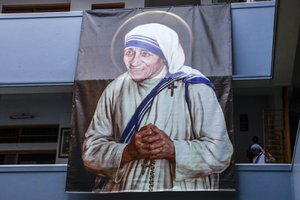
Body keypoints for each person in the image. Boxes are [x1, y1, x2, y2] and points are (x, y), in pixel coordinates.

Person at [82, 23, 233, 192]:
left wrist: (173, 149)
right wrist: (128, 152)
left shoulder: (194, 86)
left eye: (145, 53)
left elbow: (221, 152)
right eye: (129, 52)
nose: (134, 61)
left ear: (165, 56)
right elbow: (90, 153)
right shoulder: (115, 90)